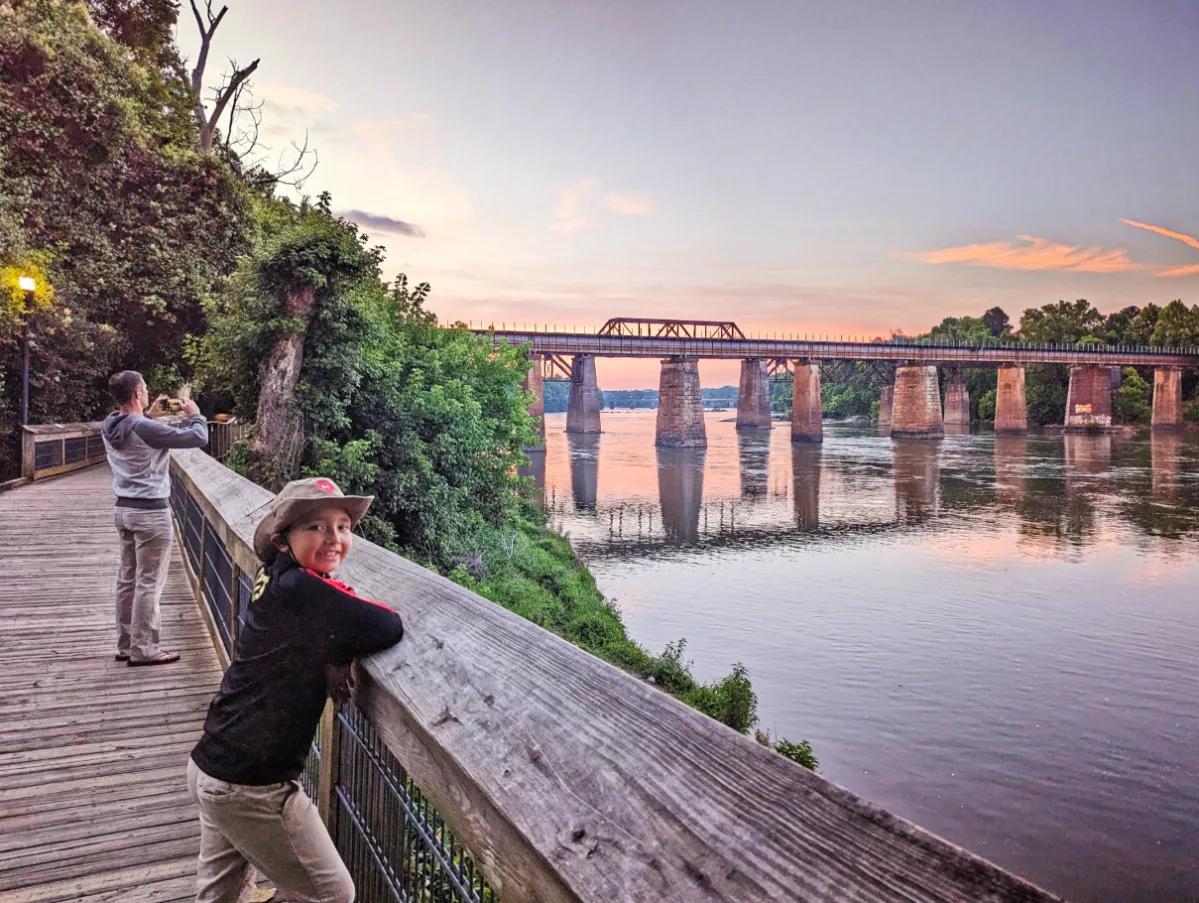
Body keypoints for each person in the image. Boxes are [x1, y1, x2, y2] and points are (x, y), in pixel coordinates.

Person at [188, 477, 405, 903]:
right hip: (252, 785)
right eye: (316, 527)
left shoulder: (276, 577)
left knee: (220, 896)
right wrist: (342, 642)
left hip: (212, 766)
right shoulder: (304, 588)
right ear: (283, 540)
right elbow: (387, 624)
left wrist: (336, 647)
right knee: (332, 894)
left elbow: (313, 629)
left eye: (343, 527)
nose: (334, 539)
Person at [102, 370, 208, 666]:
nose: (148, 392)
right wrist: (195, 414)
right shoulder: (145, 427)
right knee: (149, 582)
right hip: (150, 513)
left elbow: (135, 425)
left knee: (127, 580)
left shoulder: (110, 423)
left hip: (123, 510)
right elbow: (199, 437)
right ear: (137, 393)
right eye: (145, 389)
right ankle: (144, 649)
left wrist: (149, 413)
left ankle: (126, 645)